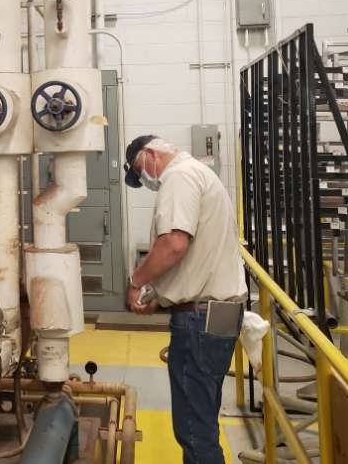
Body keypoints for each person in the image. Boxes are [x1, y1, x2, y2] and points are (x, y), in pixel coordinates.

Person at [123, 134, 248, 464]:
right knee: (201, 420)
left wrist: (136, 282)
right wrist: (162, 298)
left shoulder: (178, 177)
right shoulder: (199, 174)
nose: (144, 180)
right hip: (215, 316)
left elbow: (174, 244)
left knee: (194, 431)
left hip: (199, 322)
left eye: (139, 170)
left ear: (151, 153)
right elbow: (195, 258)